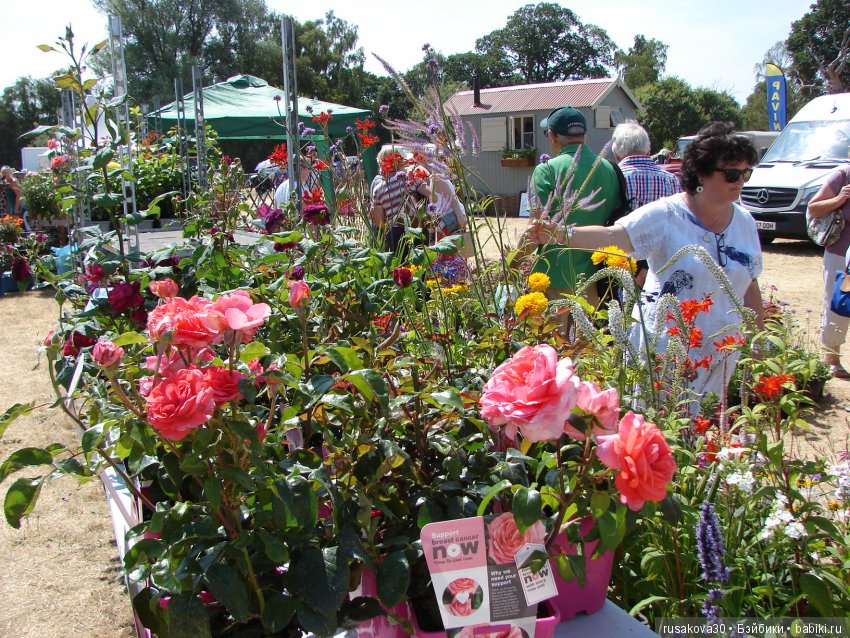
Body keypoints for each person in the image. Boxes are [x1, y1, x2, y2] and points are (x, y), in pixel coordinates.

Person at [523, 122, 764, 409]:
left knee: (706, 428)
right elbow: (616, 237)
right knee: (661, 424)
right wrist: (561, 234)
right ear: (701, 173)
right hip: (666, 352)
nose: (740, 181)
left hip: (721, 353)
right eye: (732, 173)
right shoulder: (667, 215)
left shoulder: (745, 223)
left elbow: (750, 284)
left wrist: (759, 341)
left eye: (746, 173)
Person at [525, 106, 626, 311]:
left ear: (552, 136)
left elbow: (536, 228)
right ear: (584, 136)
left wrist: (514, 266)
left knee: (553, 341)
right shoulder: (609, 169)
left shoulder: (545, 170)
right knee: (586, 341)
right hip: (594, 275)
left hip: (552, 274)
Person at [612, 121, 683, 287]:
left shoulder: (612, 178)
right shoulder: (672, 180)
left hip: (621, 263)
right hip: (663, 264)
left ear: (615, 153)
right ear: (648, 150)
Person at [806, 164, 850, 377]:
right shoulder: (843, 175)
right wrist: (840, 198)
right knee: (838, 306)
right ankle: (832, 359)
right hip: (842, 256)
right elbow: (813, 209)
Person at [369, 147, 430, 254]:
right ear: (400, 162)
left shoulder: (378, 188)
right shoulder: (409, 177)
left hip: (394, 233)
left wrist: (390, 227)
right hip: (416, 226)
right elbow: (430, 194)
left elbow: (377, 219)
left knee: (401, 267)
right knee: (420, 264)